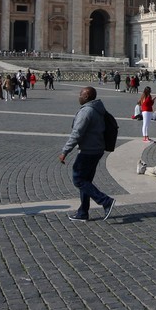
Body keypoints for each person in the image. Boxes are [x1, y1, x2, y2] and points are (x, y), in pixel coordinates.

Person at [60, 87, 116, 222]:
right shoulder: (98, 109)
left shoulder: (86, 111)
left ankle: (105, 201)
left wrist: (65, 151)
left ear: (87, 96)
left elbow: (76, 134)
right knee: (86, 181)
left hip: (88, 151)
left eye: (81, 94)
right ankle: (83, 212)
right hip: (97, 149)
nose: (78, 96)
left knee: (78, 179)